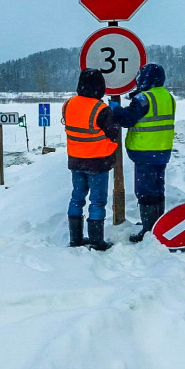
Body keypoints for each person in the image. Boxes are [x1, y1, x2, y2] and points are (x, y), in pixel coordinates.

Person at [109, 63, 175, 242]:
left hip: (145, 151)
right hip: (162, 150)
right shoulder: (167, 96)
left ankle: (148, 230)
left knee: (145, 191)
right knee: (158, 189)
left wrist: (115, 108)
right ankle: (157, 224)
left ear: (146, 79)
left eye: (140, 77)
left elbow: (126, 119)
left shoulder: (144, 98)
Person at [63, 68, 121, 250]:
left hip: (75, 160)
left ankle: (76, 238)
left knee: (77, 197)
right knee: (97, 201)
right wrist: (114, 114)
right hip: (97, 162)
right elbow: (114, 133)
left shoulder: (69, 104)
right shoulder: (100, 109)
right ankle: (96, 241)